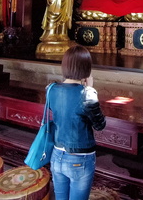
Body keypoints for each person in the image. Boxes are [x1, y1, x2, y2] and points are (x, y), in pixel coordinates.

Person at [48, 45, 106, 200]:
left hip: (57, 153)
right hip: (80, 158)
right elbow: (99, 125)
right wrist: (90, 88)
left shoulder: (51, 89)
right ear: (86, 68)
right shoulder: (87, 93)